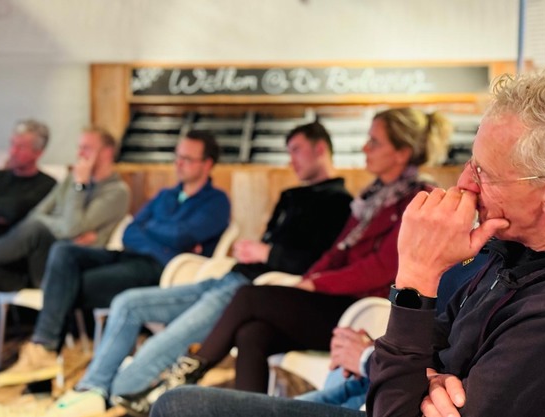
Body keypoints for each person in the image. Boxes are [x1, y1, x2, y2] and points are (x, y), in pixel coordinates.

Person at [152, 64, 545, 417]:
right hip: (384, 385)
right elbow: (435, 336)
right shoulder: (510, 249)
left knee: (181, 404)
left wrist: (416, 275)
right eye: (470, 163)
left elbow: (400, 347)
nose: (465, 182)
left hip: (378, 371)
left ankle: (171, 372)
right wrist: (425, 375)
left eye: (485, 172)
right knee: (217, 365)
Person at [115, 107, 452, 417]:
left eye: (374, 142)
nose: (365, 148)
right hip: (335, 301)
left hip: (366, 313)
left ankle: (181, 376)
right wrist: (310, 279)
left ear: (401, 152)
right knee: (252, 333)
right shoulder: (373, 196)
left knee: (249, 296)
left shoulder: (416, 199)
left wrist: (314, 283)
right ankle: (245, 411)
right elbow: (336, 252)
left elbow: (381, 269)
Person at [36, 121, 353, 417]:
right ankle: (92, 387)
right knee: (126, 302)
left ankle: (112, 394)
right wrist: (255, 251)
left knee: (174, 335)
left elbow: (318, 263)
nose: (290, 159)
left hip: (255, 291)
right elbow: (133, 230)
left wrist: (268, 252)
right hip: (228, 275)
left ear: (319, 149)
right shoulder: (289, 196)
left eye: (296, 150)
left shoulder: (338, 203)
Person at [0, 130, 231, 388]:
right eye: (177, 157)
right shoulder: (166, 195)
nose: (179, 163)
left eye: (187, 159)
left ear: (207, 164)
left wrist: (152, 231)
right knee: (64, 251)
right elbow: (131, 231)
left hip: (162, 270)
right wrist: (162, 239)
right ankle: (44, 353)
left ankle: (41, 365)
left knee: (64, 286)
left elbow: (181, 236)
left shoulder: (217, 202)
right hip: (129, 256)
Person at [0, 126, 129, 326]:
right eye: (79, 148)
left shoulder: (116, 192)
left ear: (107, 153)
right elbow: (37, 213)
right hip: (34, 261)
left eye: (86, 148)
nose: (80, 154)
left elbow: (71, 227)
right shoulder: (70, 180)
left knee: (36, 229)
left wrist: (79, 187)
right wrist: (63, 226)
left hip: (65, 268)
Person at [295, 253, 488, 410]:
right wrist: (379, 352)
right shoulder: (482, 256)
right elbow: (440, 329)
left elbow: (379, 267)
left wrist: (369, 358)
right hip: (396, 372)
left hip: (415, 390)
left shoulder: (494, 267)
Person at [0, 119, 56, 245]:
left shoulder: (46, 185)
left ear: (38, 153)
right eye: (12, 144)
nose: (12, 152)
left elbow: (13, 210)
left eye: (21, 147)